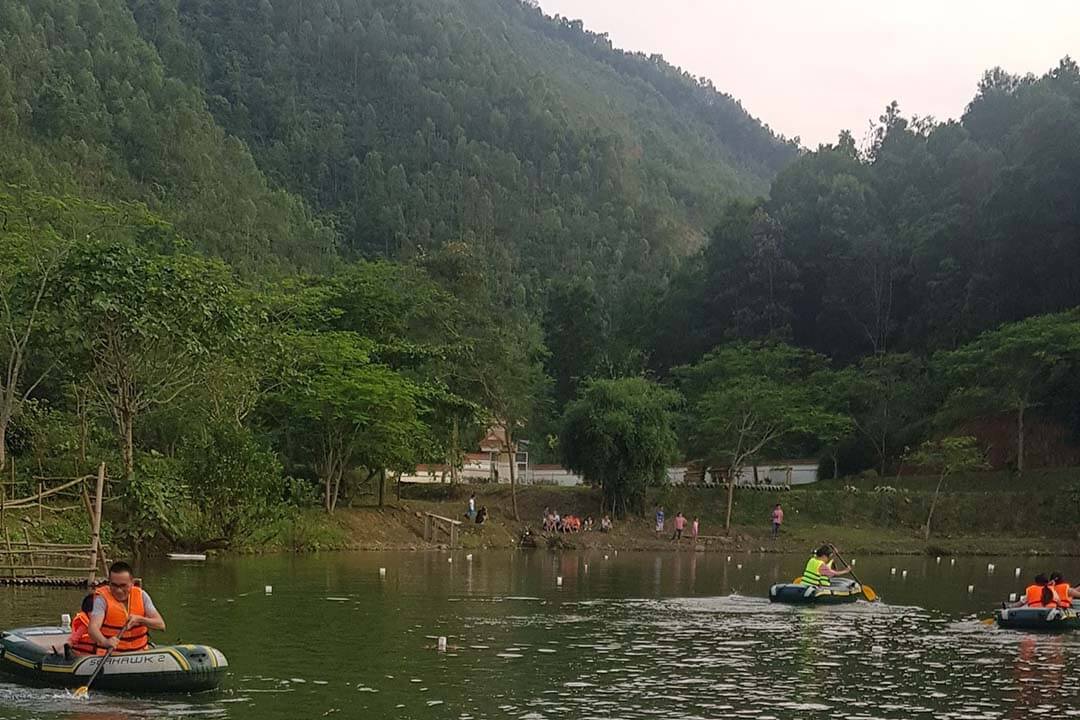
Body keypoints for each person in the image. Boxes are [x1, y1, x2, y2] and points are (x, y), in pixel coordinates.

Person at [87, 561, 166, 654]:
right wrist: (105, 642)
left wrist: (140, 620)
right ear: (109, 583)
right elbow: (93, 628)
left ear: (132, 583)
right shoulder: (101, 600)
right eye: (114, 585)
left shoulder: (142, 595)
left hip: (140, 653)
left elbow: (161, 625)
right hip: (112, 655)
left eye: (123, 586)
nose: (119, 590)